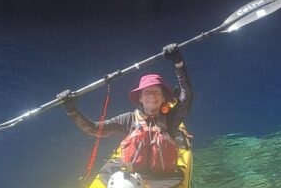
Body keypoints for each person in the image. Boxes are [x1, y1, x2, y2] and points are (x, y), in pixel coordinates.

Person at [58, 44, 193, 176]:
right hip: (132, 181)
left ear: (164, 97)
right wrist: (71, 109)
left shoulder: (172, 118)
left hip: (165, 181)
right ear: (140, 98)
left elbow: (187, 96)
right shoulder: (128, 120)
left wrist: (178, 64)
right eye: (147, 92)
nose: (152, 96)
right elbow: (94, 129)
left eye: (156, 92)